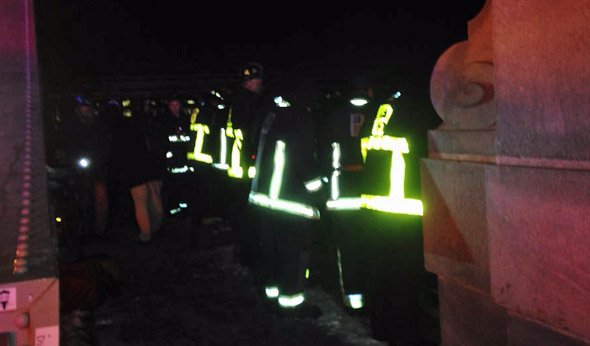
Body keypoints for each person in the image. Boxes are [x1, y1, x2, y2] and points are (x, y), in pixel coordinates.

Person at [248, 86, 325, 318]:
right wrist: (319, 193)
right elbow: (304, 162)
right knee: (294, 254)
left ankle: (272, 297)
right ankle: (292, 304)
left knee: (271, 252)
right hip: (289, 202)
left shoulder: (271, 115)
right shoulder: (300, 118)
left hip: (264, 198)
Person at [318, 76, 376, 312]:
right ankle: (374, 292)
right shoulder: (379, 114)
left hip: (340, 194)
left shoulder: (334, 116)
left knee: (347, 248)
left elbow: (323, 155)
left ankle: (354, 298)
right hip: (372, 195)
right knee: (371, 245)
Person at [224, 62, 274, 266]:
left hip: (236, 164)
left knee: (240, 208)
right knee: (249, 211)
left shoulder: (236, 102)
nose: (258, 83)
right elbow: (253, 136)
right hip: (247, 164)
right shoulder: (253, 104)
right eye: (255, 80)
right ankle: (248, 251)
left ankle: (242, 249)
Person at [61, 95, 112, 240]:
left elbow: (105, 144)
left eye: (88, 108)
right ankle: (78, 228)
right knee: (77, 197)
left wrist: (101, 159)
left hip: (97, 168)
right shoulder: (71, 125)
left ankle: (99, 229)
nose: (87, 110)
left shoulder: (99, 125)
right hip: (78, 169)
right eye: (84, 108)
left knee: (100, 198)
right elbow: (68, 144)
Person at [160, 96, 192, 217]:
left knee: (184, 185)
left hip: (184, 160)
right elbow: (163, 141)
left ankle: (184, 208)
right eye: (172, 105)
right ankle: (173, 208)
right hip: (172, 162)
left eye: (176, 105)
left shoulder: (185, 119)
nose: (174, 108)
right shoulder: (165, 121)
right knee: (172, 185)